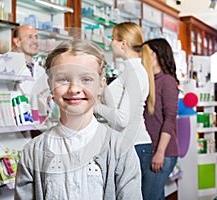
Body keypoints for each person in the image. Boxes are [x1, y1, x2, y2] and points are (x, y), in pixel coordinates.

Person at [14, 39, 142, 199]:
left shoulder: (120, 149)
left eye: (86, 79)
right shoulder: (32, 152)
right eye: (63, 79)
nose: (74, 89)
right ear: (50, 85)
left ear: (101, 86)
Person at [93, 22, 155, 198]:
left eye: (113, 38)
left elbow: (121, 119)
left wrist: (94, 107)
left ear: (123, 43)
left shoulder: (135, 72)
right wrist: (103, 90)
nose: (110, 43)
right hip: (128, 145)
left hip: (135, 146)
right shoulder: (130, 70)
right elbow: (117, 108)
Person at [142, 38, 179, 200]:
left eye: (146, 54)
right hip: (151, 149)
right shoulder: (148, 81)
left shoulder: (167, 81)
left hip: (163, 151)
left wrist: (160, 152)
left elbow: (169, 119)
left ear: (155, 55)